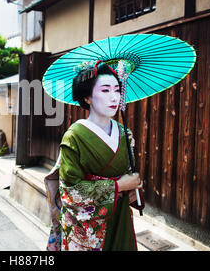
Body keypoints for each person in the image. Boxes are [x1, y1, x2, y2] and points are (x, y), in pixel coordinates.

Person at [45, 60, 144, 251]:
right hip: (87, 231)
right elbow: (70, 190)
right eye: (105, 90)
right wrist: (119, 185)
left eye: (117, 90)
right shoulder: (74, 136)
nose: (114, 97)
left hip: (120, 218)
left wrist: (135, 187)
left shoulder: (126, 134)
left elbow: (129, 176)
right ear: (87, 97)